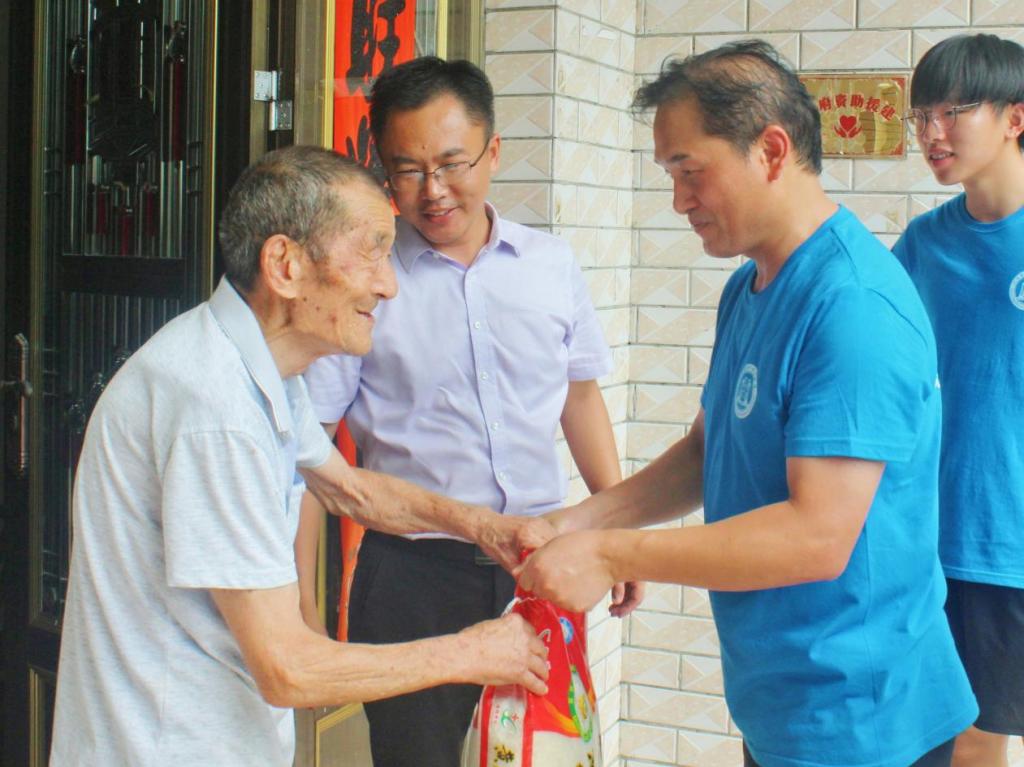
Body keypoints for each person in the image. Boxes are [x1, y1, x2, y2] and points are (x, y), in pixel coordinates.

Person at [515, 40, 979, 767]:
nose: (679, 200)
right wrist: (578, 522)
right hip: (785, 700)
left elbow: (816, 536)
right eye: (670, 176)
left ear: (770, 150)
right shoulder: (751, 287)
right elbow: (707, 452)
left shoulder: (853, 305)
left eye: (690, 171)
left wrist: (609, 552)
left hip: (864, 717)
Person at [48, 146, 550, 767]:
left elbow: (348, 489)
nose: (388, 284)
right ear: (285, 265)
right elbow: (287, 668)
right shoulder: (216, 409)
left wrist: (488, 528)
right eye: (371, 252)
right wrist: (475, 653)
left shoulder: (257, 365)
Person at [301, 56, 637, 766]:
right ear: (383, 171)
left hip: (542, 565)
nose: (433, 190)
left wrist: (618, 528)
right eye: (408, 170)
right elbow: (308, 452)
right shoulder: (362, 284)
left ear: (493, 152)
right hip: (412, 577)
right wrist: (304, 611)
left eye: (452, 164)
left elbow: (579, 395)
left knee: (546, 753)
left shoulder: (550, 264)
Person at [892, 33, 1024, 767]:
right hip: (922, 536)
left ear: (1015, 118)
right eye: (921, 116)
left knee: (975, 743)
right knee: (920, 740)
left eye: (953, 112)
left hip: (1007, 544)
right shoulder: (923, 244)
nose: (931, 133)